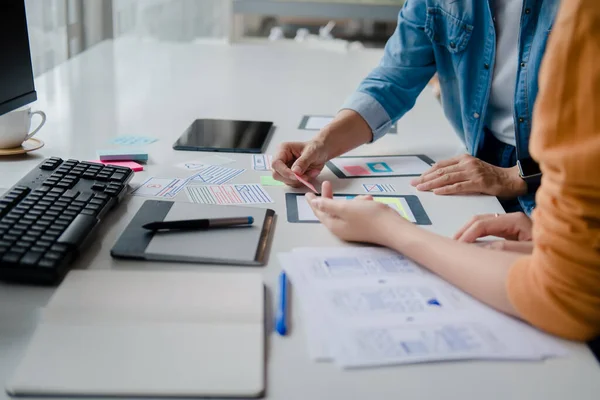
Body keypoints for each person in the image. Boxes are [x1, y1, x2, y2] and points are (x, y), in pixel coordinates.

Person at [303, 0, 600, 341]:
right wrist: (324, 142)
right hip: (502, 168)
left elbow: (565, 296)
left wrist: (386, 228)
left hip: (549, 176)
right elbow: (396, 74)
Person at [273, 1, 559, 214]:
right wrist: (322, 144)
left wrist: (520, 175)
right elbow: (395, 78)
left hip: (565, 175)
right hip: (482, 159)